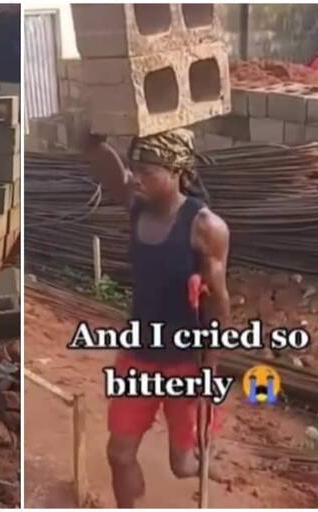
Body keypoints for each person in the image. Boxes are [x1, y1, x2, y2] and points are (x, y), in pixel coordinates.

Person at [82, 129, 231, 508]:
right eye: (134, 169)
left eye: (147, 171)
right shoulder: (136, 207)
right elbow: (93, 152)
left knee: (182, 465)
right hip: (139, 356)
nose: (136, 178)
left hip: (186, 362)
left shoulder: (206, 228)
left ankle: (203, 455)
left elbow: (218, 304)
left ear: (177, 171)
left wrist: (209, 372)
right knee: (119, 453)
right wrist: (96, 130)